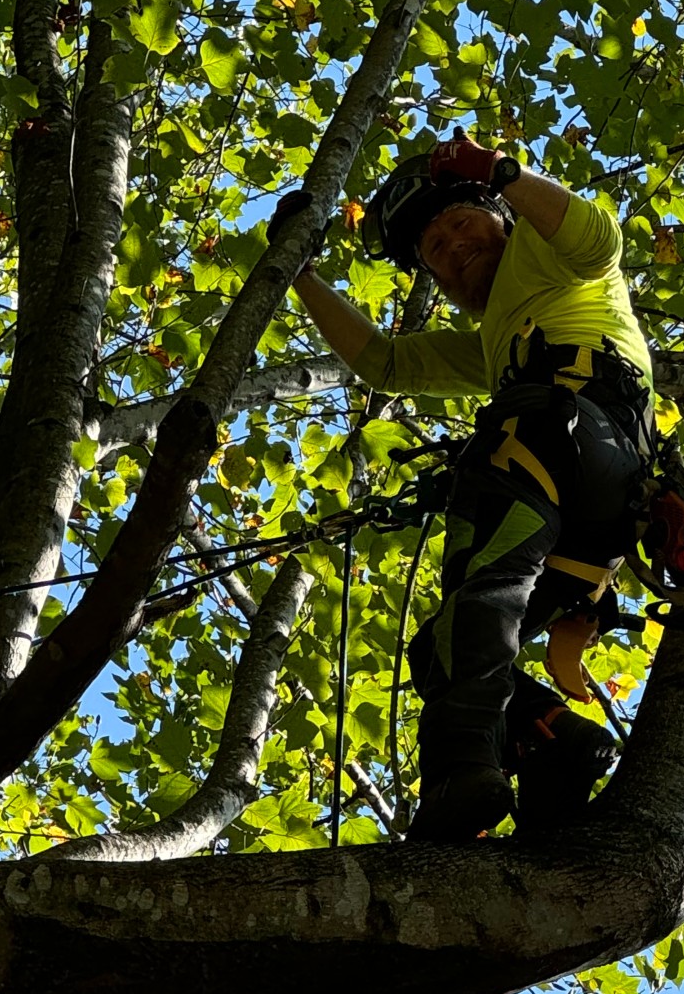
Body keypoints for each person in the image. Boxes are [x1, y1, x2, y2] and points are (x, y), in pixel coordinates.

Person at [280, 135, 655, 841]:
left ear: (500, 217)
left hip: (557, 431)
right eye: (435, 251)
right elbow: (385, 362)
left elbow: (596, 238)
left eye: (459, 225)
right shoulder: (495, 344)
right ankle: (556, 740)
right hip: (603, 501)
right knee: (440, 649)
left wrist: (501, 173)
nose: (452, 248)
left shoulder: (544, 257)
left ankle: (462, 771)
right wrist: (298, 274)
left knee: (484, 589)